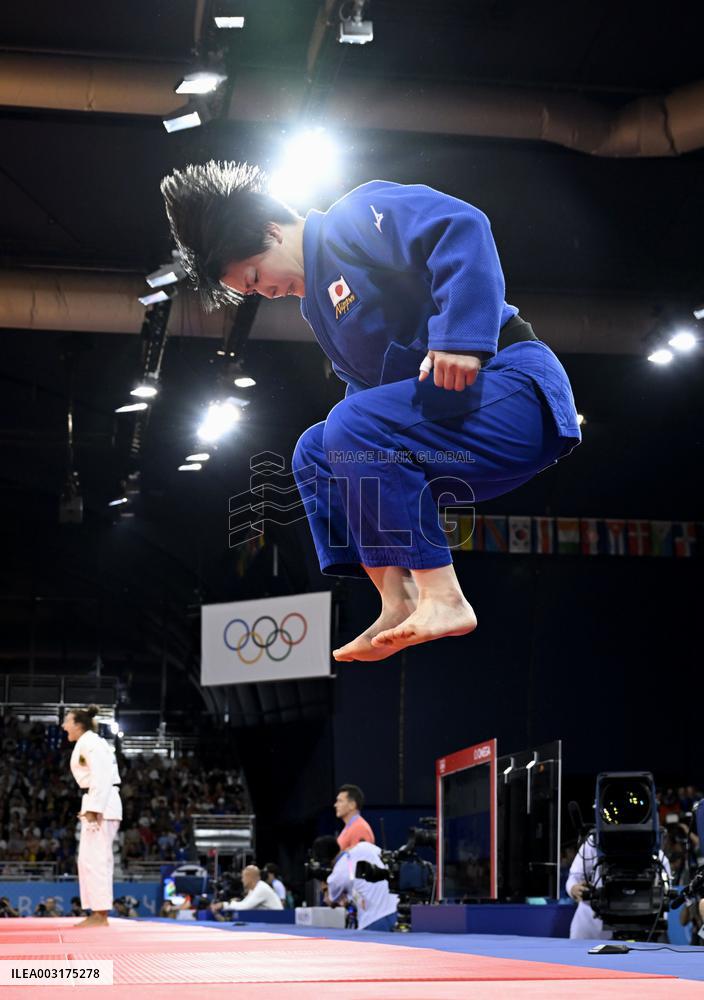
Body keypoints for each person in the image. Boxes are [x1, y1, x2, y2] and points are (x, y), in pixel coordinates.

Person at [161, 163, 581, 661]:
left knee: (348, 426)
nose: (262, 292)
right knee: (314, 451)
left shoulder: (354, 218)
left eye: (254, 276)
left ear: (271, 231)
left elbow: (462, 226)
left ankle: (444, 597)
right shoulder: (317, 309)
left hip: (516, 394)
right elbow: (365, 405)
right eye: (248, 291)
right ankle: (397, 600)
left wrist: (461, 338)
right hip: (455, 436)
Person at [62, 705, 122, 928]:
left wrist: (95, 807)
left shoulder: (92, 743)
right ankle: (96, 911)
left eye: (67, 721)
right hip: (98, 800)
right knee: (88, 859)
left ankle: (100, 913)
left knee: (96, 859)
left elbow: (102, 774)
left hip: (102, 804)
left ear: (78, 725)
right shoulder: (88, 742)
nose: (63, 725)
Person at [566, 833, 671, 939]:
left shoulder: (656, 854)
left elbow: (664, 896)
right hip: (590, 924)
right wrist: (573, 888)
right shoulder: (594, 842)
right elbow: (574, 877)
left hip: (639, 927)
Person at [312, 835, 399, 932]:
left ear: (324, 861)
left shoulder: (336, 876)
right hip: (396, 911)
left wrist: (324, 887)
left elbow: (330, 901)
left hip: (373, 921)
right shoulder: (365, 846)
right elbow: (386, 858)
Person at [335, 785, 375, 851]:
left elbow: (359, 859)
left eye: (340, 801)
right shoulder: (350, 826)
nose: (335, 805)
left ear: (352, 805)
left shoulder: (360, 828)